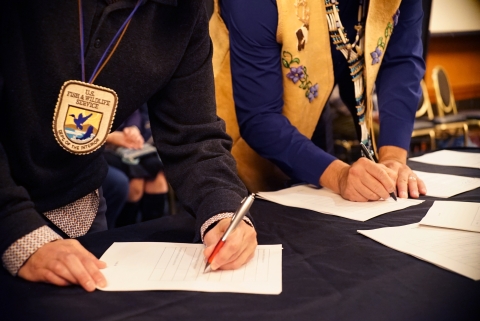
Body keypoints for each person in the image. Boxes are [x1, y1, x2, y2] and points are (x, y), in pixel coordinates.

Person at [0, 0, 256, 292]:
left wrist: (222, 209)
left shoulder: (185, 12)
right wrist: (16, 228)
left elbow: (193, 134)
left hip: (78, 208)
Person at [210, 0, 428, 201]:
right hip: (226, 149)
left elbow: (402, 60)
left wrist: (393, 159)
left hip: (311, 121)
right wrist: (340, 176)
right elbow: (259, 116)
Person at [103, 105, 169, 227]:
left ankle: (155, 231)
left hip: (127, 143)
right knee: (136, 182)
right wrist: (111, 137)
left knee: (157, 177)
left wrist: (133, 128)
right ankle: (126, 231)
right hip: (103, 147)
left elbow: (135, 110)